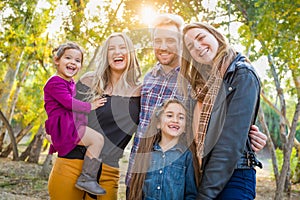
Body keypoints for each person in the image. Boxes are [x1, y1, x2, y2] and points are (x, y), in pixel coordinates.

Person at [126, 13, 267, 191]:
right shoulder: (148, 79)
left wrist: (247, 135)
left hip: (175, 177)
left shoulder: (196, 83)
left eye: (170, 40)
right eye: (157, 40)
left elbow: (222, 119)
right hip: (138, 170)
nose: (162, 46)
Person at [47, 33, 142, 200]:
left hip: (108, 170)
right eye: (111, 48)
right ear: (105, 55)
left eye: (122, 48)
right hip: (71, 164)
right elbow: (63, 110)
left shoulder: (142, 92)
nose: (116, 52)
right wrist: (50, 132)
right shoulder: (89, 81)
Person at [179, 22, 262, 199]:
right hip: (204, 174)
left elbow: (229, 143)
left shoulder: (242, 74)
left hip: (235, 176)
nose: (198, 47)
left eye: (201, 38)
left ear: (215, 35)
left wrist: (206, 195)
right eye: (191, 47)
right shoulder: (201, 86)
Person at [43, 42, 107, 195]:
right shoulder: (54, 82)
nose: (73, 62)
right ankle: (87, 178)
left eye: (77, 60)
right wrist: (90, 106)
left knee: (96, 139)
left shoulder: (70, 82)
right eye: (68, 58)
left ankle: (87, 176)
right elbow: (68, 102)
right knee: (97, 140)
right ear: (57, 60)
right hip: (64, 125)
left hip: (67, 123)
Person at [128, 99, 198, 200]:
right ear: (158, 124)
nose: (175, 120)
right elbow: (137, 189)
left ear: (185, 127)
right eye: (169, 115)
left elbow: (191, 194)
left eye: (181, 117)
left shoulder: (187, 156)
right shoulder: (147, 153)